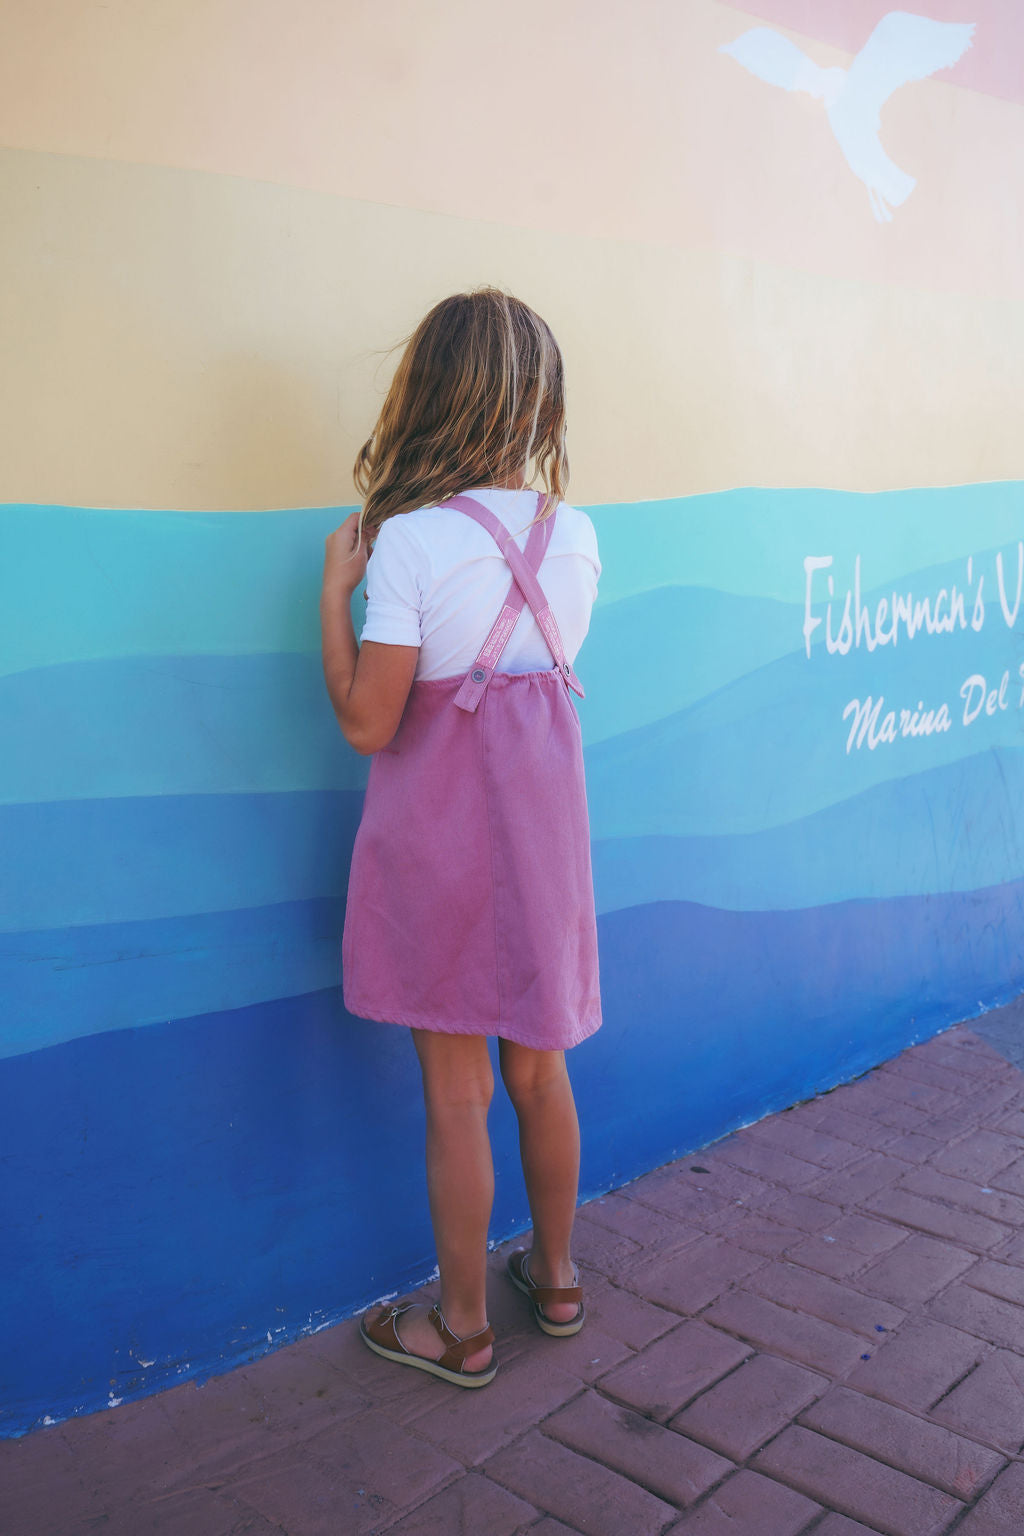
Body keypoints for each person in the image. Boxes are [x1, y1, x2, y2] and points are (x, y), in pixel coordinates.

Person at [319, 287, 602, 1389]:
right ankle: (560, 1280)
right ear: (538, 403)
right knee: (541, 1071)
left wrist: (331, 598)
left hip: (439, 853)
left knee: (455, 1094)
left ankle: (464, 1327)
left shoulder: (409, 545)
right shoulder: (576, 536)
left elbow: (368, 723)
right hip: (544, 846)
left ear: (429, 394)